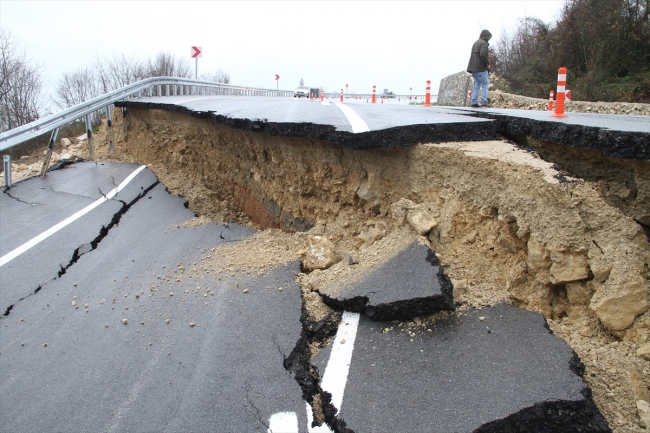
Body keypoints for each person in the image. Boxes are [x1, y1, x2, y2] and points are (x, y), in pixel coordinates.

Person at [467, 29, 493, 108]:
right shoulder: (484, 43)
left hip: (472, 68)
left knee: (477, 85)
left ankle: (474, 102)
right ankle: (484, 102)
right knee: (485, 84)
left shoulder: (476, 42)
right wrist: (487, 64)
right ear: (487, 37)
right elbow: (483, 55)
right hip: (480, 68)